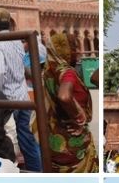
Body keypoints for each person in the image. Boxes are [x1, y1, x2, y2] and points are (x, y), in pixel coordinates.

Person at [0, 8, 41, 171]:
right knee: (26, 138)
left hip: (7, 98)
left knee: (4, 141)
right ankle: (37, 172)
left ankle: (8, 172)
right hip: (22, 97)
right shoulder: (16, 40)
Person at [41, 33, 97, 172]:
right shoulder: (67, 73)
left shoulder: (48, 72)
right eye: (73, 47)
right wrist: (79, 117)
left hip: (55, 139)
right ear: (64, 50)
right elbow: (64, 96)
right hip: (74, 142)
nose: (77, 51)